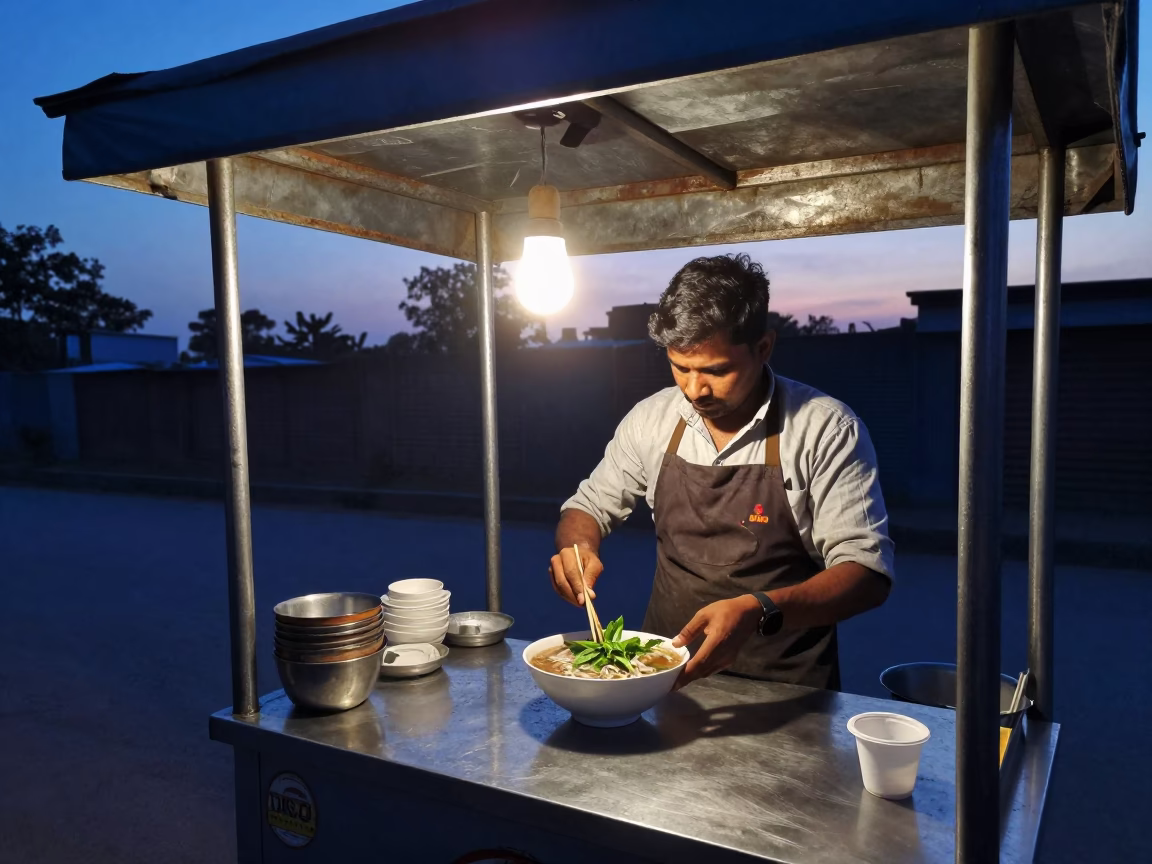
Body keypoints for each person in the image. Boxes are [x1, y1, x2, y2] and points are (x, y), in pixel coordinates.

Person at [550, 253, 893, 690]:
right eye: (680, 367)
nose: (694, 390)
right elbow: (587, 507)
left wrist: (758, 610)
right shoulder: (651, 419)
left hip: (786, 690)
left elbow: (866, 575)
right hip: (660, 673)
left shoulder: (825, 429)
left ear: (763, 347)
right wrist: (576, 551)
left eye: (716, 370)